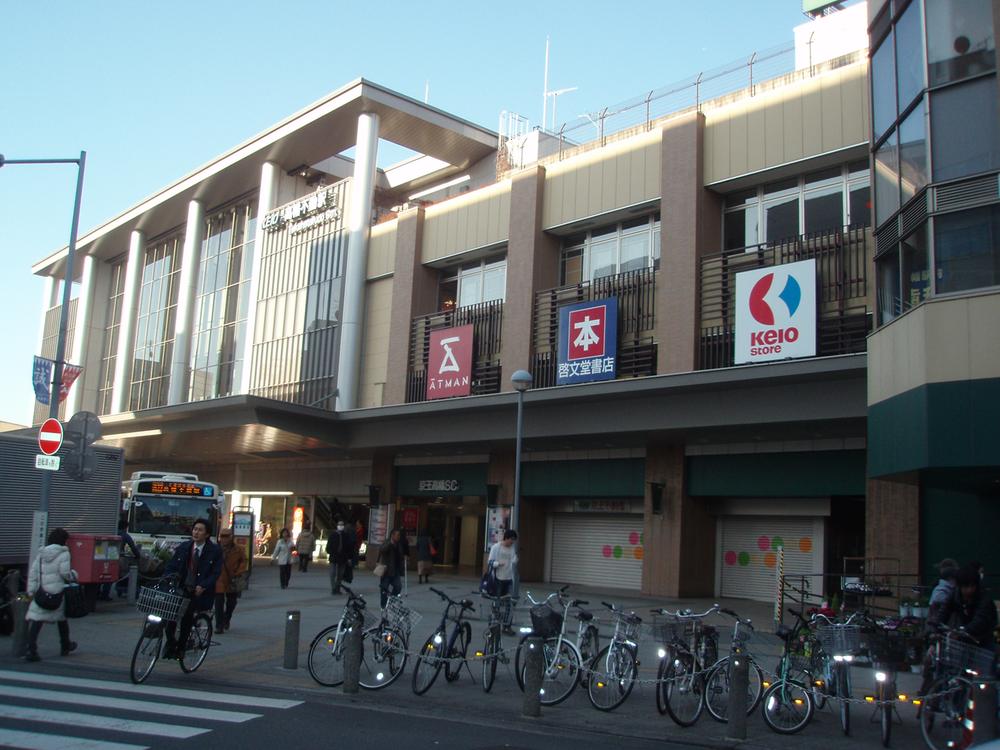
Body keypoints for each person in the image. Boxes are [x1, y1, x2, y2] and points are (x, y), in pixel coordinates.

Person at [162, 518, 222, 659]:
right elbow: (172, 566)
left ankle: (181, 648)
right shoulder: (184, 547)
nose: (196, 532)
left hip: (199, 592)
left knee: (186, 618)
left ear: (207, 534)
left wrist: (203, 586)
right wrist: (165, 578)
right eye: (195, 529)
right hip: (181, 588)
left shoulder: (214, 551)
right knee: (169, 615)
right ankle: (171, 643)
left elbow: (215, 573)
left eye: (200, 530)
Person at [24, 527, 77, 662]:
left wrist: (31, 590)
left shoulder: (42, 553)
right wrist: (74, 575)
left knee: (36, 621)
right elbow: (65, 574)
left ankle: (31, 650)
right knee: (62, 620)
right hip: (56, 592)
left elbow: (34, 573)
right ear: (63, 540)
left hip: (41, 593)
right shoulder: (64, 554)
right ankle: (65, 645)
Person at [953, 563, 997, 648]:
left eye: (972, 586)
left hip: (984, 638)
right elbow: (944, 611)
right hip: (968, 638)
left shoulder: (984, 598)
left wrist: (962, 631)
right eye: (966, 586)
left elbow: (980, 619)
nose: (969, 590)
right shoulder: (955, 595)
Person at [214, 528, 248, 634]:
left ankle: (227, 618)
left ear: (231, 537)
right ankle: (219, 625)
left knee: (231, 602)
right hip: (219, 579)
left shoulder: (238, 549)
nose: (224, 539)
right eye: (222, 536)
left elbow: (244, 561)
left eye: (226, 536)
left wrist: (238, 572)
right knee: (218, 603)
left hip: (233, 579)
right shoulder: (215, 549)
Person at [487, 529, 518, 633]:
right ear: (507, 538)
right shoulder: (496, 547)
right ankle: (494, 623)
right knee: (497, 602)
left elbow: (513, 559)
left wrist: (515, 560)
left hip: (509, 579)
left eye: (514, 541)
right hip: (498, 578)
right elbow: (490, 562)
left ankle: (507, 626)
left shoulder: (512, 548)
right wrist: (497, 564)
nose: (512, 542)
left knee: (509, 603)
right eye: (511, 540)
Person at [377, 529, 404, 608]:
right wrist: (390, 544)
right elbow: (382, 550)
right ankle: (383, 605)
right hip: (386, 571)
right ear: (392, 535)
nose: (399, 537)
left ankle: (391, 601)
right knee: (384, 589)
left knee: (398, 587)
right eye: (397, 535)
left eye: (399, 535)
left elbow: (400, 555)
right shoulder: (387, 542)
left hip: (395, 570)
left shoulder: (399, 544)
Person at [326, 520, 355, 595]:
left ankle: (337, 588)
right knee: (332, 573)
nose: (340, 526)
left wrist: (349, 558)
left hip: (343, 558)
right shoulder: (333, 535)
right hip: (334, 557)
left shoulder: (346, 535)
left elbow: (349, 548)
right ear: (337, 526)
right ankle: (333, 588)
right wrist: (331, 551)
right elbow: (328, 546)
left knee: (340, 574)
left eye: (342, 525)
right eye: (339, 525)